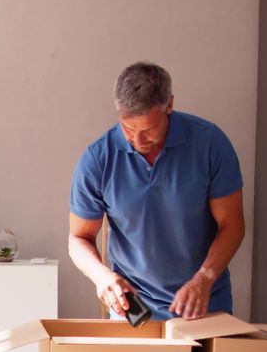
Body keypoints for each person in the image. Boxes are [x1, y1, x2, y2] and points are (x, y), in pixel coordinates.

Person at [67, 62, 246, 322]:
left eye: (149, 130)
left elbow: (232, 225)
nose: (138, 141)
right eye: (128, 130)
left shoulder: (210, 144)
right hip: (134, 310)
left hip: (203, 303)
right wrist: (102, 277)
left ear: (169, 106)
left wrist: (204, 279)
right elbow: (78, 239)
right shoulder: (98, 159)